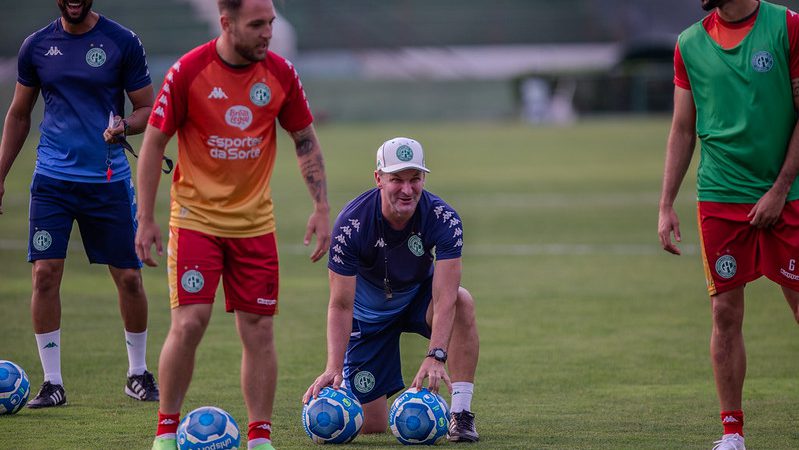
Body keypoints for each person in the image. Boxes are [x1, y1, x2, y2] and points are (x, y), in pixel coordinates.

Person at [134, 0, 330, 449]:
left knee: (259, 329)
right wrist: (145, 217)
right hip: (196, 220)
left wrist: (321, 206)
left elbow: (304, 139)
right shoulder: (188, 71)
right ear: (227, 23)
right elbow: (153, 143)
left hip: (255, 225)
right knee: (189, 323)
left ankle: (259, 437)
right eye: (257, 25)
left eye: (271, 24)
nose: (268, 34)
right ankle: (165, 434)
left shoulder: (280, 73)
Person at [0, 0, 159, 408]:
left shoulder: (122, 41)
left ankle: (137, 373)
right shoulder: (36, 46)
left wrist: (123, 125)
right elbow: (19, 115)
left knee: (128, 278)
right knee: (45, 276)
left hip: (107, 181)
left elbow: (147, 109)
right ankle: (52, 384)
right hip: (52, 180)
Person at [659, 1, 799, 448]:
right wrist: (665, 204)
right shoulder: (689, 43)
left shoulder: (788, 27)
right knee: (724, 312)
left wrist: (779, 189)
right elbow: (683, 129)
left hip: (788, 195)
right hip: (720, 197)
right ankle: (732, 433)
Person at [303, 137, 480, 443]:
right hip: (369, 317)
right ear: (379, 178)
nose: (407, 190)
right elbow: (341, 305)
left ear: (424, 178)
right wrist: (333, 367)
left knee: (463, 301)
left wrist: (436, 355)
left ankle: (460, 415)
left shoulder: (444, 218)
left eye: (414, 179)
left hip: (415, 299)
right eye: (396, 179)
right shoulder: (351, 225)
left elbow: (445, 296)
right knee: (372, 424)